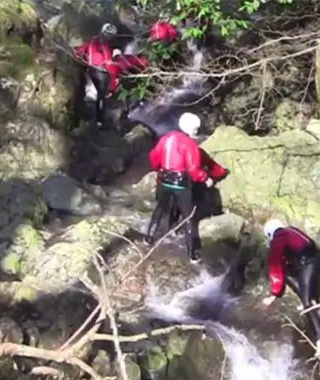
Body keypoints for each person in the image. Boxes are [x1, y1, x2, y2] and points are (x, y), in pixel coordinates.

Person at [144, 112, 228, 263]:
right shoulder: (190, 145)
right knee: (189, 218)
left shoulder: (166, 138)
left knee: (160, 209)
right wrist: (206, 179)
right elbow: (193, 169)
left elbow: (153, 157)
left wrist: (159, 169)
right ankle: (192, 254)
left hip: (164, 180)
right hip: (182, 184)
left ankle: (148, 238)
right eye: (196, 129)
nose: (196, 131)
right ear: (190, 128)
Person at [261, 219, 320, 356]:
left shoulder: (278, 239)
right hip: (314, 259)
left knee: (307, 303)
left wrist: (274, 294)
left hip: (307, 264)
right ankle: (311, 300)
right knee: (287, 273)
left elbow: (275, 265)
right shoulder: (290, 230)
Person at [74, 23, 149, 128]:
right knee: (102, 96)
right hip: (102, 72)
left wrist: (76, 54)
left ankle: (98, 117)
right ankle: (100, 121)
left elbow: (80, 51)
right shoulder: (109, 49)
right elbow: (112, 69)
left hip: (91, 70)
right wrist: (113, 89)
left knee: (101, 95)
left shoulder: (92, 41)